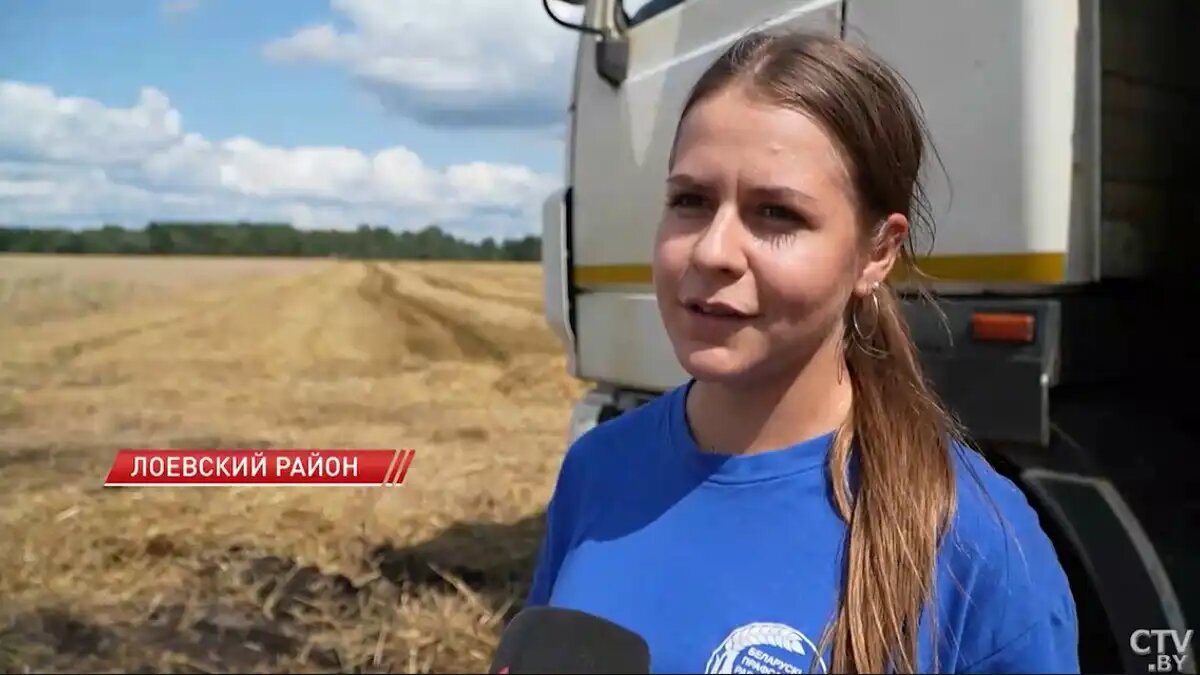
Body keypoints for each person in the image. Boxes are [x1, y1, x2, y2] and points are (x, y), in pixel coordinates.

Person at [524, 29, 1079, 674]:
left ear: (877, 252)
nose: (712, 251)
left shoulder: (976, 542)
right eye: (690, 202)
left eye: (777, 213)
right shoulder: (597, 472)